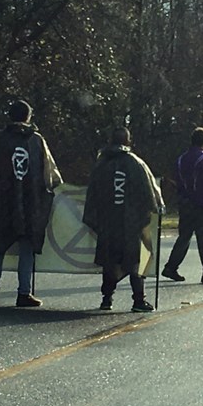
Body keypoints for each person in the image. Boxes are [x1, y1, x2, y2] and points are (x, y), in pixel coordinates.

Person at [0, 99, 62, 307]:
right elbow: (51, 174)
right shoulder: (37, 141)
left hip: (3, 201)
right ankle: (23, 293)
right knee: (27, 246)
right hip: (30, 202)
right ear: (29, 117)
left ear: (10, 116)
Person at [82, 126, 164, 312]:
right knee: (136, 260)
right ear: (128, 141)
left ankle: (107, 299)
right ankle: (138, 300)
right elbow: (148, 190)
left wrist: (96, 218)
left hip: (108, 221)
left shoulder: (101, 164)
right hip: (131, 222)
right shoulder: (135, 163)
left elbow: (92, 194)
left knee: (110, 261)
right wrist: (155, 208)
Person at [161, 126, 203, 285]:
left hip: (185, 204)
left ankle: (171, 267)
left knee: (184, 237)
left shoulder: (181, 159)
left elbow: (174, 179)